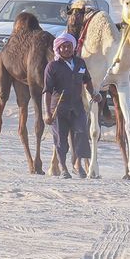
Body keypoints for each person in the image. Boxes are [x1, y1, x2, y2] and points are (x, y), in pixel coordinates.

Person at [45, 32, 95, 176]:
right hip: (59, 109)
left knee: (82, 133)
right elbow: (47, 91)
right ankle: (63, 168)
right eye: (63, 47)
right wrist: (47, 112)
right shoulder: (52, 66)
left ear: (73, 47)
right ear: (58, 49)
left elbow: (87, 81)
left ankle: (77, 164)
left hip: (77, 107)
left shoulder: (80, 63)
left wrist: (94, 94)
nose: (66, 49)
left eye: (69, 46)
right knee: (61, 140)